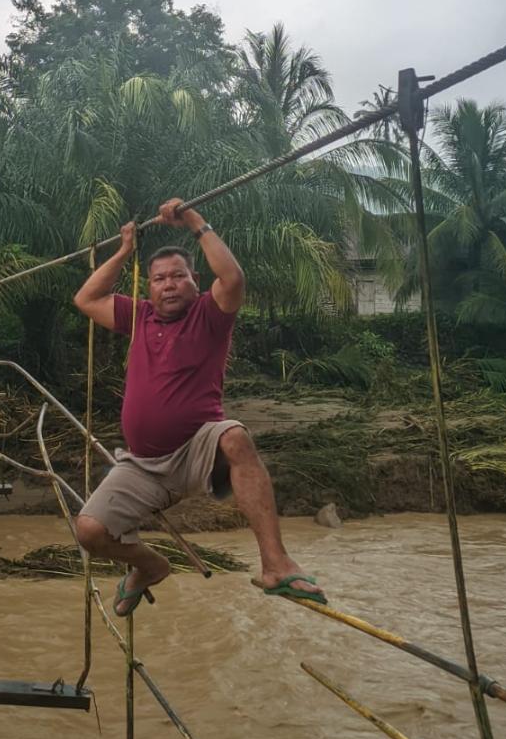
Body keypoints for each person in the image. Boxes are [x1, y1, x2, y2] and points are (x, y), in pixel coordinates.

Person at [73, 197, 327, 616]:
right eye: (159, 279)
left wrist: (193, 220)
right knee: (89, 530)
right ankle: (150, 566)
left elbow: (233, 277)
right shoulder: (138, 317)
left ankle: (275, 564)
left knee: (235, 436)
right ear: (149, 287)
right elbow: (86, 298)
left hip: (197, 450)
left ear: (195, 280)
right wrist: (123, 251)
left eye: (178, 276)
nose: (168, 285)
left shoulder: (209, 314)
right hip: (142, 465)